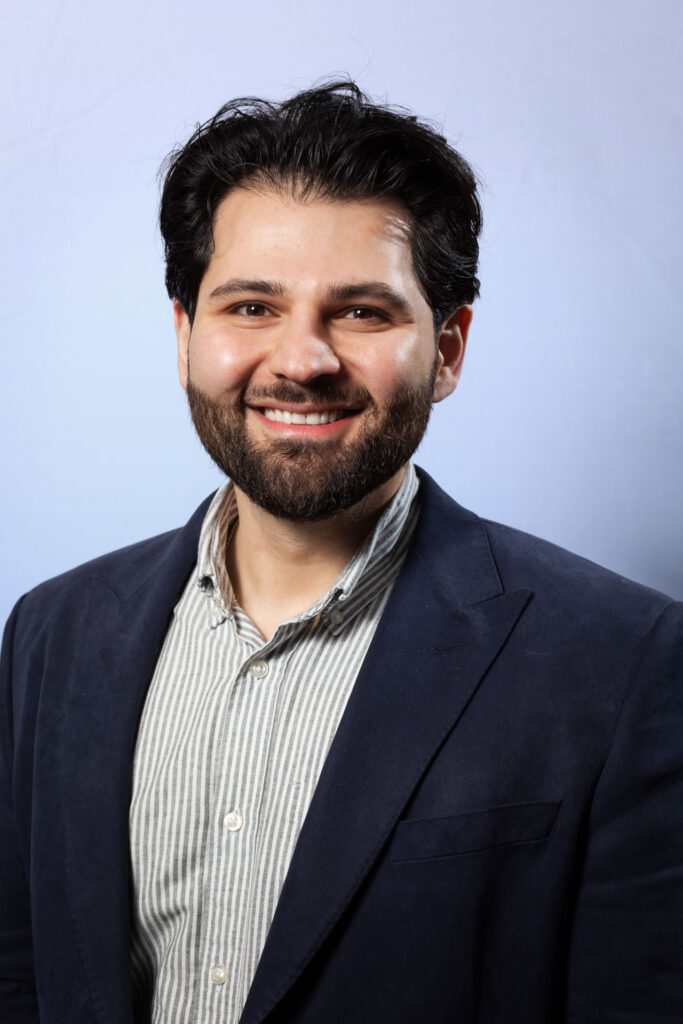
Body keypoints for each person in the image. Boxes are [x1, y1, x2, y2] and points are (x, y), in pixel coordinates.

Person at [1, 80, 681, 1024]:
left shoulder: (623, 661)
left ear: (447, 350)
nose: (302, 360)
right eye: (251, 306)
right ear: (184, 335)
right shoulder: (52, 632)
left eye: (362, 312)